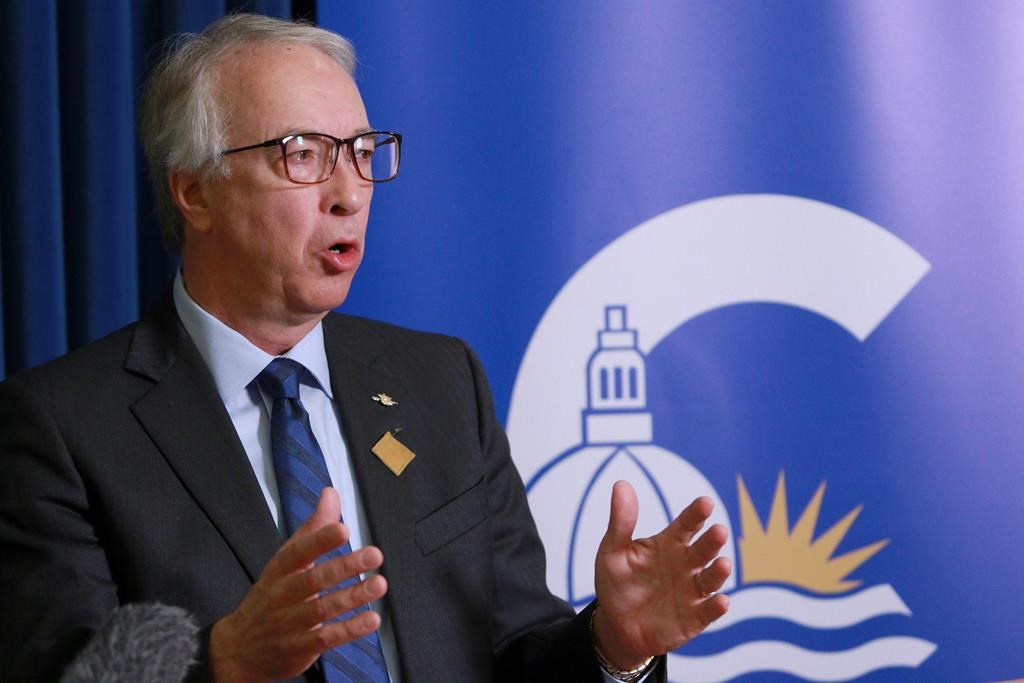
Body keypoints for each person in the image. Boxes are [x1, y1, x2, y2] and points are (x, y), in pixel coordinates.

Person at [0, 13, 731, 683]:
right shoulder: (61, 427)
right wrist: (223, 660)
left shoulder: (442, 381)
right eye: (304, 155)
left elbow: (515, 653)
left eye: (361, 152)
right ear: (195, 192)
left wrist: (612, 646)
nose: (350, 193)